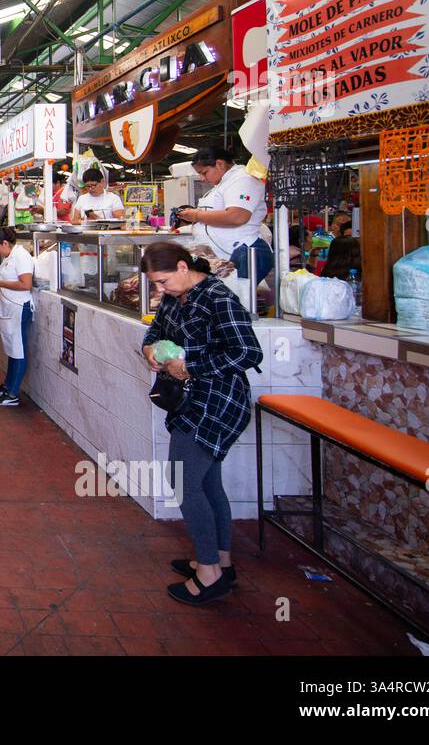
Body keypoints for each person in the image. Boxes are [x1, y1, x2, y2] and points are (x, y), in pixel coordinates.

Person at [140, 242, 263, 607]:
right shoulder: (174, 298)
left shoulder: (216, 297)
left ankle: (209, 574)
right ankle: (221, 561)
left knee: (183, 481)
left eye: (163, 281)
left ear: (182, 267)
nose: (159, 290)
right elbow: (154, 333)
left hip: (218, 402)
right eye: (155, 284)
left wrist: (190, 365)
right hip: (190, 399)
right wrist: (150, 351)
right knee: (208, 483)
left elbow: (247, 352)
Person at [175, 146, 271, 287]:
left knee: (237, 299)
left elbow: (237, 216)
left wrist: (196, 215)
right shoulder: (223, 183)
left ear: (219, 164)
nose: (202, 178)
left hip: (242, 253)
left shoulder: (242, 179)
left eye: (204, 172)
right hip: (226, 255)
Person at [0, 227, 35, 407]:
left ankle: (12, 393)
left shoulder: (21, 257)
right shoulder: (9, 257)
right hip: (9, 309)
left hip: (19, 308)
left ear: (6, 243)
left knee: (18, 350)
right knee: (12, 350)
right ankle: (7, 386)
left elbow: (25, 284)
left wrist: (0, 283)